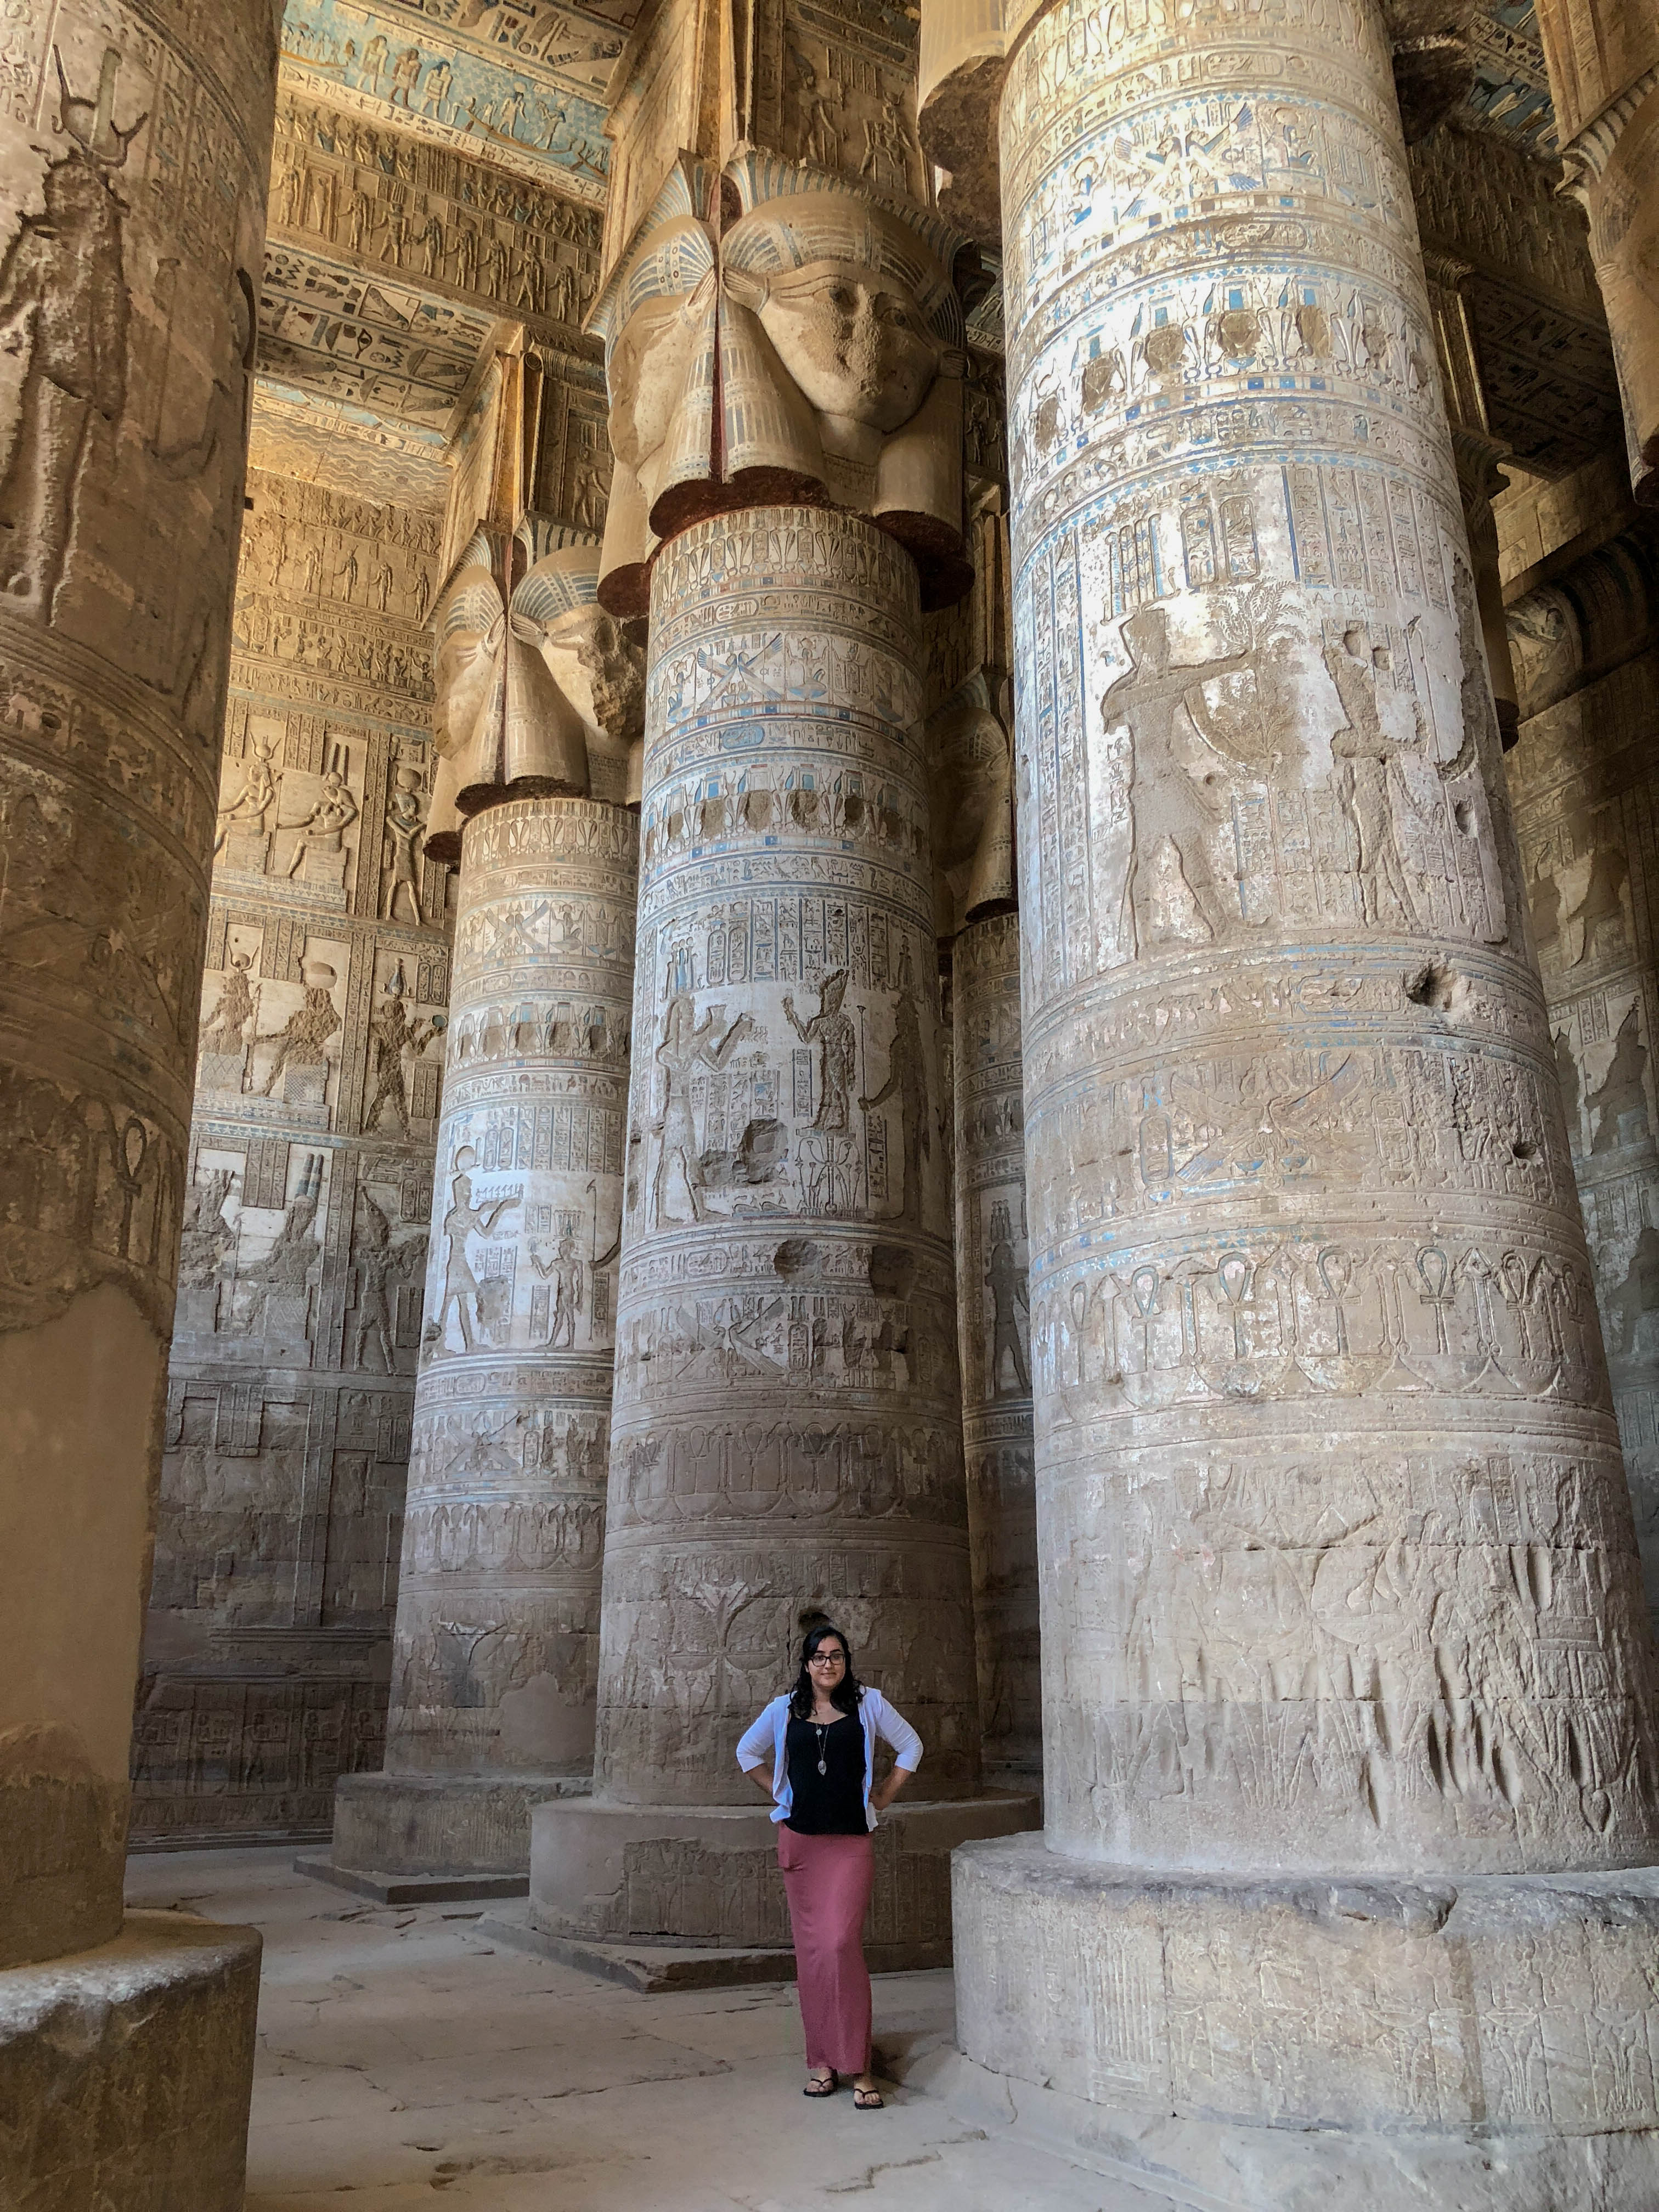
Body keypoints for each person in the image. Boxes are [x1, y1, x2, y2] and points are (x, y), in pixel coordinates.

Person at [737, 1624, 921, 2109]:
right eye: (819, 1657)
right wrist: (780, 1793)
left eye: (836, 1656)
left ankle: (858, 2065)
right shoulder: (784, 1709)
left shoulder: (868, 1703)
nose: (828, 1665)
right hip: (801, 1844)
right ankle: (821, 2061)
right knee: (813, 1954)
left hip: (848, 1845)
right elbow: (747, 1752)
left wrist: (884, 1794)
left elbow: (911, 1746)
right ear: (806, 1663)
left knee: (841, 1945)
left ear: (846, 1661)